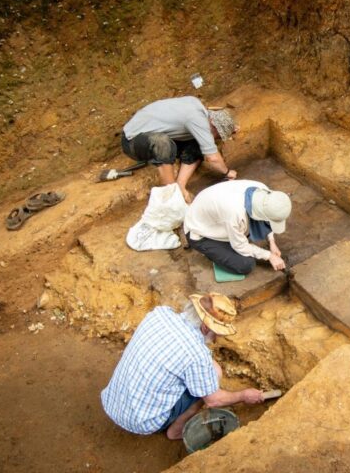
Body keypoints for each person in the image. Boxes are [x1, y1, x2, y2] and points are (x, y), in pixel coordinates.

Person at [101, 293, 265, 440]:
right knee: (208, 383)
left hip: (112, 402)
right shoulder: (196, 354)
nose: (217, 338)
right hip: (144, 421)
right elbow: (214, 401)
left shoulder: (160, 313)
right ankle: (176, 431)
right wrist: (243, 395)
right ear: (205, 327)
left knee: (210, 370)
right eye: (217, 332)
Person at [120, 96, 238, 203]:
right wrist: (227, 172)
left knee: (199, 143)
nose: (215, 138)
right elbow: (212, 158)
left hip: (153, 132)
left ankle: (180, 186)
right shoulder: (197, 120)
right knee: (163, 143)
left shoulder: (199, 109)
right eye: (217, 135)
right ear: (213, 124)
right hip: (132, 141)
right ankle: (173, 195)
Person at [184, 179, 291, 275]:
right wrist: (269, 256)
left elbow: (268, 217)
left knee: (244, 232)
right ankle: (211, 251)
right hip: (199, 232)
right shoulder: (235, 213)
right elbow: (240, 246)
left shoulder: (263, 191)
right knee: (245, 264)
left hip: (216, 217)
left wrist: (272, 242)